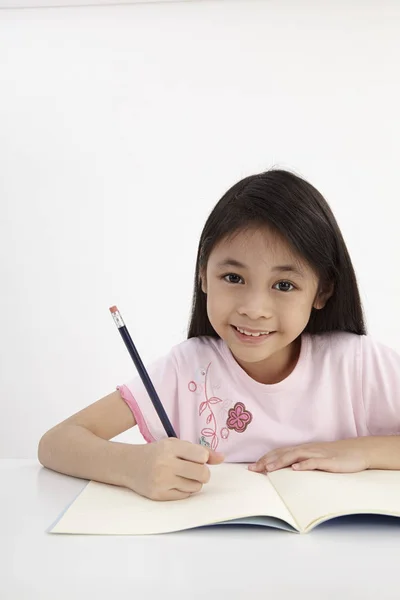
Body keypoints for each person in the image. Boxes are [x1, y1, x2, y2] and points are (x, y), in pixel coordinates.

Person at [38, 168, 400, 501]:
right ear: (203, 276)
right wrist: (132, 465)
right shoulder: (187, 370)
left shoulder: (359, 364)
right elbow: (56, 443)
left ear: (322, 291)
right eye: (233, 278)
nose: (254, 307)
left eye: (284, 284)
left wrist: (362, 451)